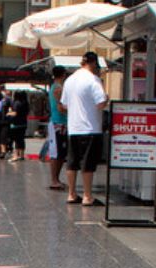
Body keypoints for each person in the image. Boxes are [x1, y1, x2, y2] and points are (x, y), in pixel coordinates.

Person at [60, 51, 108, 206]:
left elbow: (64, 105)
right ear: (93, 63)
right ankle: (87, 196)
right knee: (88, 163)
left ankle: (71, 194)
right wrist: (107, 99)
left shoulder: (69, 80)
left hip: (73, 127)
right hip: (90, 128)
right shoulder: (93, 80)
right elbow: (101, 103)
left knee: (72, 162)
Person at [47, 67, 69, 190]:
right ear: (63, 74)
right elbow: (60, 107)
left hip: (60, 123)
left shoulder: (56, 87)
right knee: (56, 153)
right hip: (58, 123)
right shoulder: (58, 88)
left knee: (60, 153)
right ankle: (54, 180)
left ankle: (56, 179)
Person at [6, 89, 29, 162]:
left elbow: (15, 113)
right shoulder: (26, 103)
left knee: (16, 140)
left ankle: (16, 155)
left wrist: (8, 113)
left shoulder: (16, 103)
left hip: (15, 124)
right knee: (21, 140)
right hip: (23, 123)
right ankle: (21, 155)